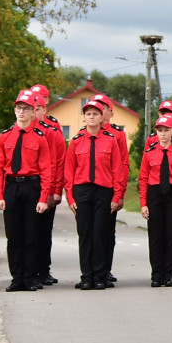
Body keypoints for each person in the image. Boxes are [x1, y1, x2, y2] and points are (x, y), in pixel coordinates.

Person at [0, 90, 53, 292]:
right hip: (11, 186)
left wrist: (44, 197)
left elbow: (46, 170)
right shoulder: (4, 137)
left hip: (31, 186)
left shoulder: (40, 137)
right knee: (14, 237)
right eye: (18, 108)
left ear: (33, 112)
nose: (21, 112)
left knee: (31, 236)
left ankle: (29, 278)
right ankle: (16, 278)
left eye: (26, 109)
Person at [65, 100, 127, 290]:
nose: (91, 117)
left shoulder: (110, 140)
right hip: (82, 190)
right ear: (84, 118)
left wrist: (117, 196)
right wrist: (70, 197)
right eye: (88, 114)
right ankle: (87, 276)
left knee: (100, 233)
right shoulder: (76, 141)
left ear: (102, 118)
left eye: (95, 114)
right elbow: (69, 171)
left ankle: (100, 276)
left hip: (103, 190)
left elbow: (117, 169)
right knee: (85, 234)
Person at [140, 113, 172, 287]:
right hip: (155, 194)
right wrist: (143, 203)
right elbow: (143, 178)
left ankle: (170, 273)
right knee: (155, 236)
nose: (162, 134)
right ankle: (157, 273)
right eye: (160, 130)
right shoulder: (149, 153)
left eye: (166, 130)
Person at [89, 93, 128, 284]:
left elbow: (122, 165)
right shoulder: (86, 132)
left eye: (103, 108)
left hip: (109, 189)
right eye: (96, 107)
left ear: (109, 112)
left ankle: (105, 268)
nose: (100, 111)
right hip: (90, 189)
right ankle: (94, 270)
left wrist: (119, 193)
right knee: (91, 231)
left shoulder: (117, 134)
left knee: (106, 231)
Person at [30, 84, 65, 285]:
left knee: (44, 233)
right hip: (30, 186)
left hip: (48, 187)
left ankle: (43, 269)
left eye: (38, 106)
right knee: (31, 232)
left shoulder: (52, 129)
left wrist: (55, 190)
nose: (34, 111)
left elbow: (57, 161)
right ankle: (30, 270)